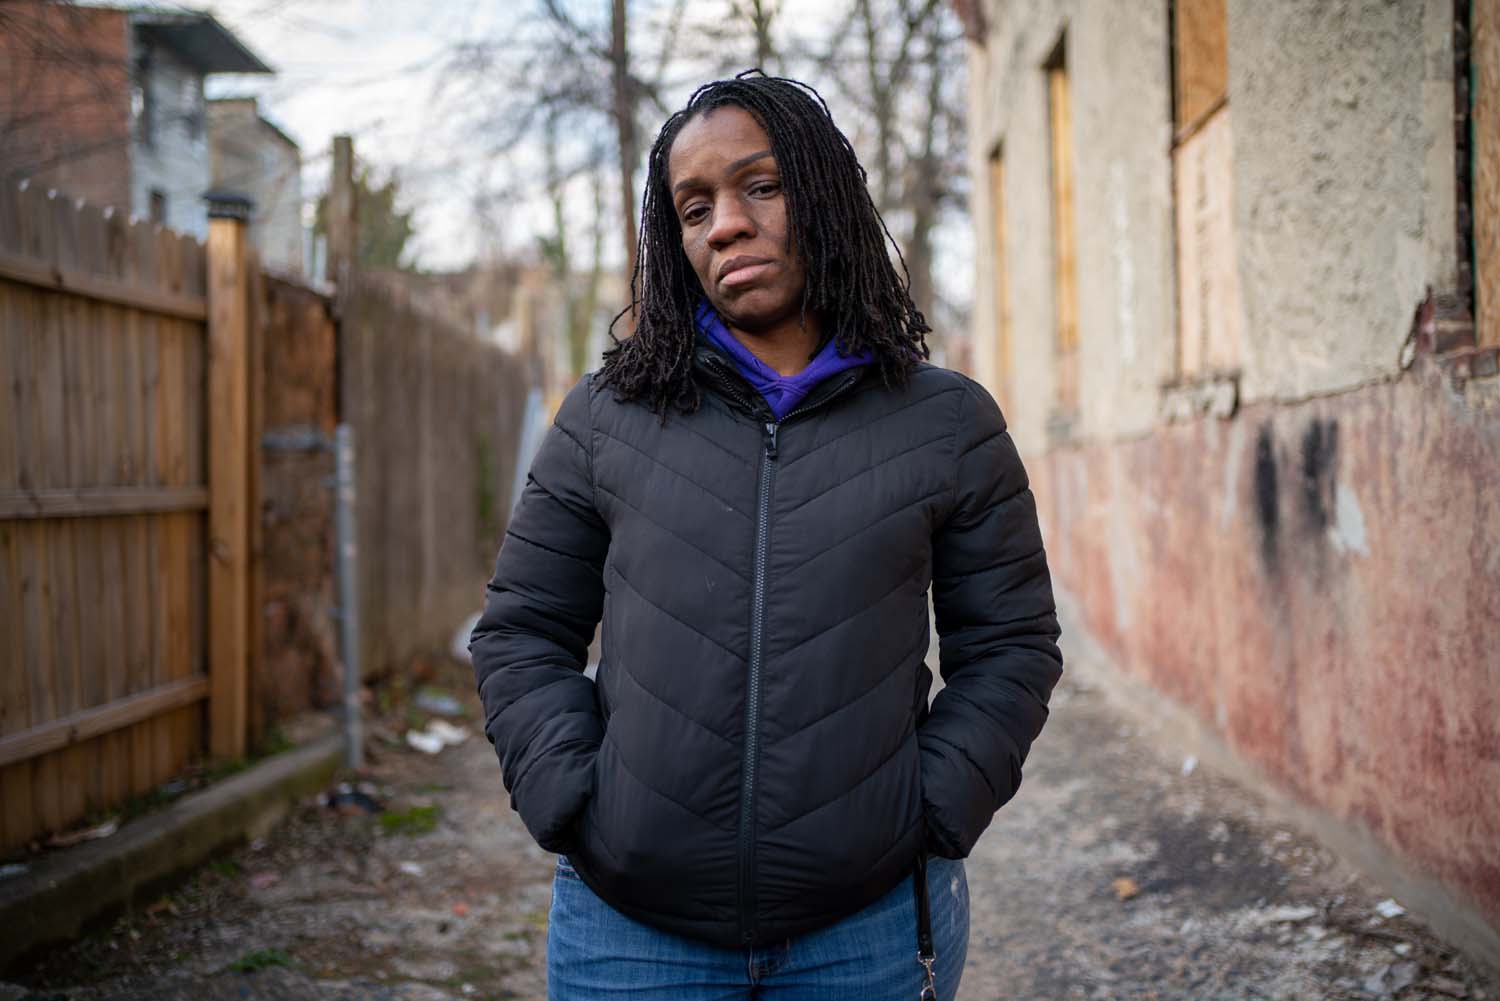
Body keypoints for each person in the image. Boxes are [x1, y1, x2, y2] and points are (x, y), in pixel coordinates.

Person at [470, 71, 1063, 1001]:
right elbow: (520, 630)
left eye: (761, 186)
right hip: (631, 936)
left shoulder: (946, 422)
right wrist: (573, 801)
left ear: (824, 195)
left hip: (866, 932)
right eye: (693, 206)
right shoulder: (604, 418)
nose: (725, 224)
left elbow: (1012, 644)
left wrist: (931, 811)